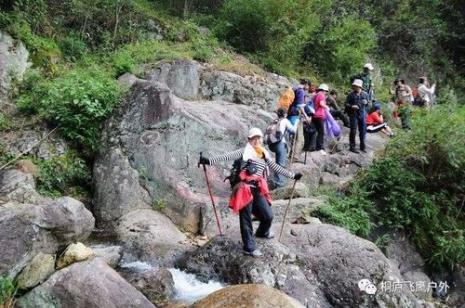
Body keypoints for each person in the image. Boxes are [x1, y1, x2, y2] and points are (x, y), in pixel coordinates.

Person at [198, 128, 302, 257]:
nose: (257, 140)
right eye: (254, 138)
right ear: (249, 140)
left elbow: (275, 167)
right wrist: (207, 161)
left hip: (257, 188)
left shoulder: (264, 154)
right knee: (246, 218)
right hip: (244, 188)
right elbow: (226, 156)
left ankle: (262, 232)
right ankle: (249, 247)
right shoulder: (244, 151)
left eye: (259, 138)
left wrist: (292, 175)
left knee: (268, 216)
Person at [267, 108, 298, 188]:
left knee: (277, 165)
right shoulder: (285, 121)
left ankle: (277, 181)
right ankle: (279, 184)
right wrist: (297, 122)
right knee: (280, 165)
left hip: (272, 144)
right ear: (285, 114)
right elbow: (293, 130)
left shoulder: (275, 121)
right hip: (280, 144)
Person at [345, 79, 369, 153]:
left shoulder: (365, 94)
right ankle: (352, 147)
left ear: (359, 87)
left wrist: (366, 102)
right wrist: (352, 106)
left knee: (362, 131)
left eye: (356, 86)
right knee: (353, 131)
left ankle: (362, 147)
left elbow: (369, 103)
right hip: (353, 114)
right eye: (354, 86)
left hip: (362, 114)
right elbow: (346, 104)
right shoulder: (350, 94)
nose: (354, 87)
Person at [312, 84, 330, 155]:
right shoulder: (321, 94)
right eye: (326, 91)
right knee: (321, 132)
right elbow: (321, 103)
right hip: (319, 116)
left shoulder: (315, 95)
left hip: (314, 116)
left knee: (315, 132)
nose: (326, 93)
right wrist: (327, 107)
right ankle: (320, 148)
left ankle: (313, 147)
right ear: (324, 90)